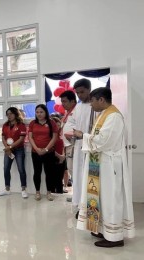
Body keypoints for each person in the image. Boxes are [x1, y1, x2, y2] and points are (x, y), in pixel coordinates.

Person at [74, 87, 135, 247]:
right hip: (99, 165)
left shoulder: (114, 116)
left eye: (92, 101)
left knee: (110, 200)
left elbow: (104, 141)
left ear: (101, 100)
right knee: (99, 198)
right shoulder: (104, 115)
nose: (91, 105)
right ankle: (102, 229)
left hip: (109, 167)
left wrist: (82, 136)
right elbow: (98, 139)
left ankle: (115, 237)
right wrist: (87, 137)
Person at [64, 79, 95, 217]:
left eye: (82, 92)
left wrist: (84, 135)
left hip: (92, 147)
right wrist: (71, 133)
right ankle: (81, 207)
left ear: (89, 89)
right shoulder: (79, 107)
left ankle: (91, 207)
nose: (80, 95)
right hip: (78, 146)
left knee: (90, 178)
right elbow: (71, 123)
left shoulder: (96, 106)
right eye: (77, 93)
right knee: (78, 177)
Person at [28, 104, 58, 201]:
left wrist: (45, 149)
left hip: (49, 152)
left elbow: (54, 137)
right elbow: (30, 137)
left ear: (45, 112)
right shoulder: (32, 123)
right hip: (35, 152)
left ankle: (49, 192)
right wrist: (36, 149)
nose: (39, 114)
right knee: (37, 172)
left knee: (49, 173)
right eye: (37, 112)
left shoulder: (52, 123)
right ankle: (37, 192)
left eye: (41, 112)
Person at [0, 107, 28, 198]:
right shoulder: (5, 125)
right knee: (6, 169)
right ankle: (7, 189)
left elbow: (21, 139)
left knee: (21, 169)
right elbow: (3, 137)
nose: (9, 116)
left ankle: (23, 189)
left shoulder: (21, 125)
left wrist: (10, 147)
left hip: (18, 150)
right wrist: (7, 147)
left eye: (11, 113)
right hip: (8, 150)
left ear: (15, 114)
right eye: (7, 114)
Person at [59, 90, 77, 192]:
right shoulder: (67, 112)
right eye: (62, 101)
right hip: (66, 145)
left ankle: (77, 196)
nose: (62, 104)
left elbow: (80, 129)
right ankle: (76, 195)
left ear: (73, 101)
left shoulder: (77, 112)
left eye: (65, 101)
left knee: (73, 170)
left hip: (73, 145)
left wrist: (71, 134)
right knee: (70, 170)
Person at [50, 114, 65, 194]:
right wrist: (59, 156)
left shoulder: (60, 134)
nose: (58, 127)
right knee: (53, 179)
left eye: (59, 125)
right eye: (56, 125)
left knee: (59, 179)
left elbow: (63, 146)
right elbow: (50, 148)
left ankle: (60, 193)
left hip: (61, 158)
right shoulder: (50, 135)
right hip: (53, 158)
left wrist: (62, 156)